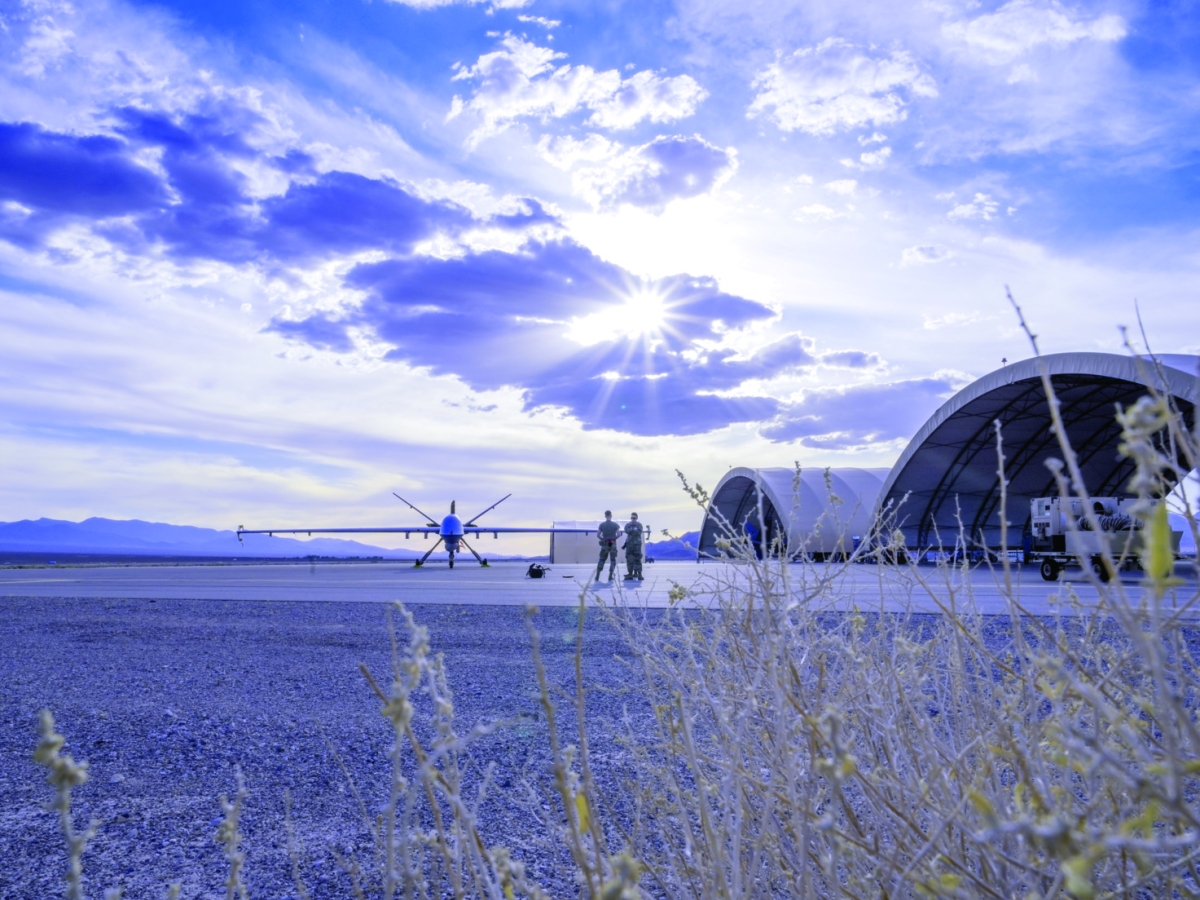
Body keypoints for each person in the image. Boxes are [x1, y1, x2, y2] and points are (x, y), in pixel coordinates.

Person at [596, 510, 621, 581]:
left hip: (605, 543)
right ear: (611, 515)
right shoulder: (615, 525)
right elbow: (619, 534)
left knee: (602, 559)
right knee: (613, 560)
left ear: (605, 516)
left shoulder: (602, 525)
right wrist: (614, 538)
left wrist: (603, 539)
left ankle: (597, 575)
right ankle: (610, 576)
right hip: (612, 543)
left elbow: (598, 535)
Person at [623, 512, 645, 580]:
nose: (633, 519)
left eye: (634, 518)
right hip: (629, 545)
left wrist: (632, 530)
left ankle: (639, 574)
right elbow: (627, 530)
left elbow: (639, 531)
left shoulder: (639, 525)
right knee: (629, 559)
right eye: (632, 518)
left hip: (637, 546)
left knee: (638, 559)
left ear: (636, 518)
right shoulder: (628, 525)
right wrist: (634, 530)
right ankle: (630, 573)